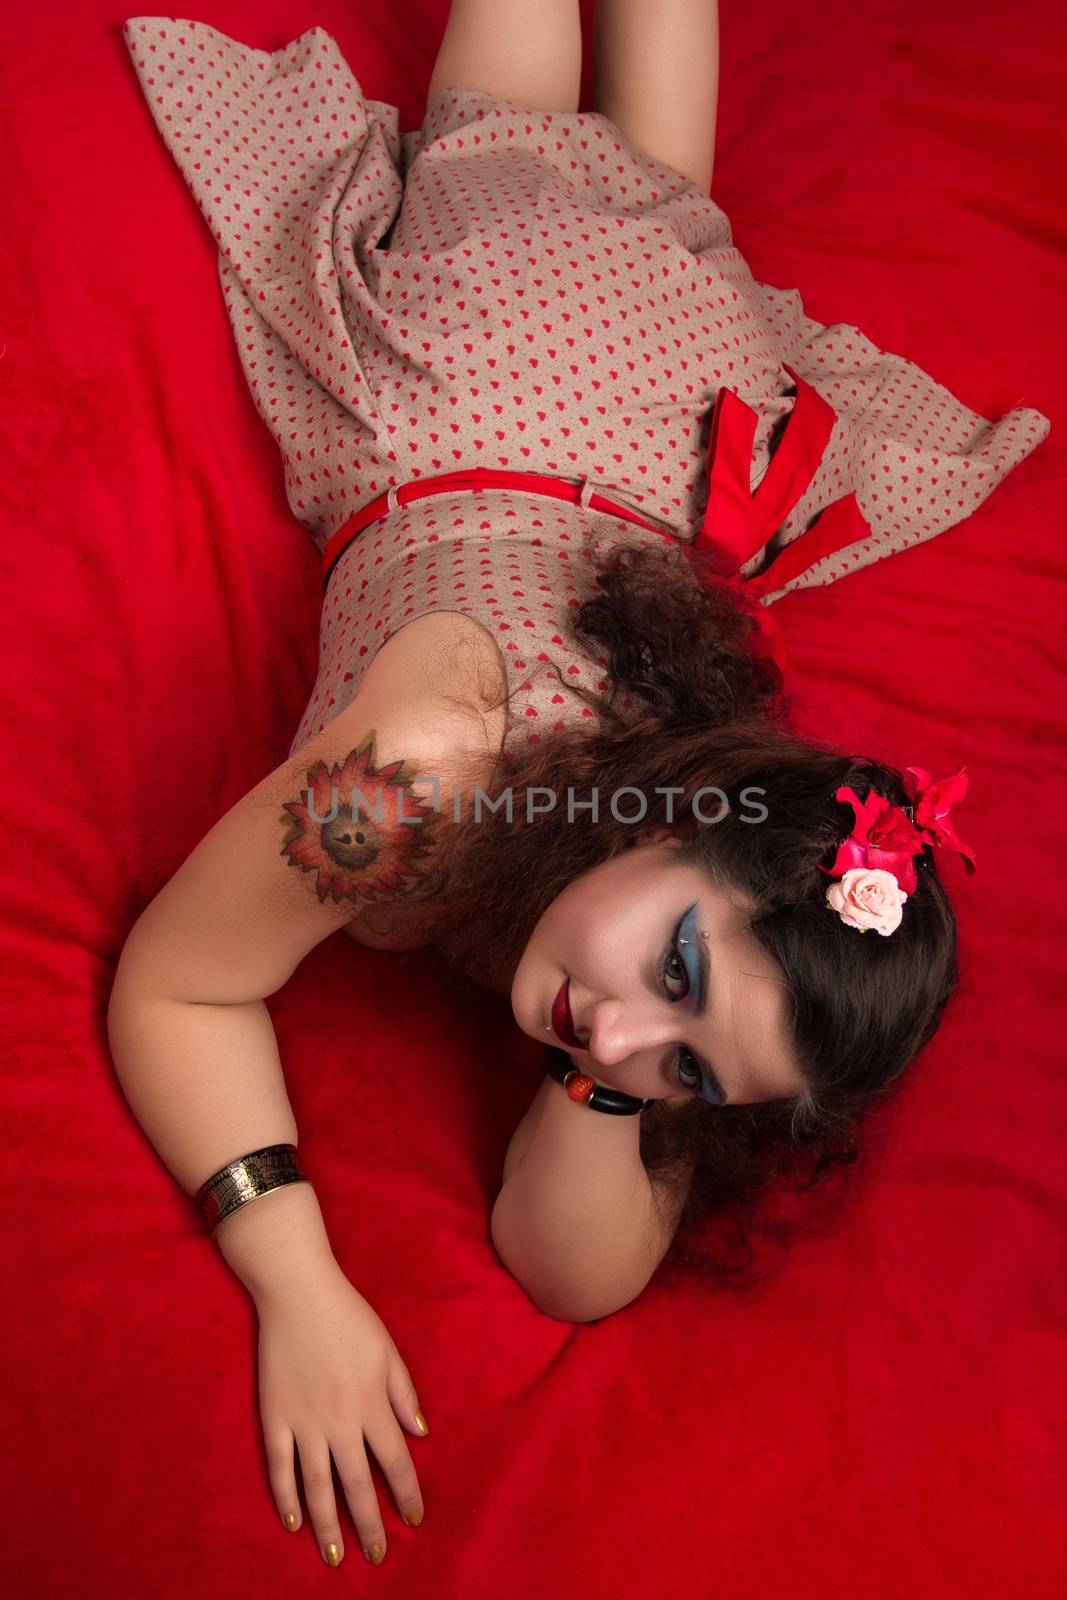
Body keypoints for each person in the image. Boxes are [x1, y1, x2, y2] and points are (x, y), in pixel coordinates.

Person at [110, 1, 1047, 1572]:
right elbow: (178, 991)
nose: (609, 1036)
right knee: (518, 123)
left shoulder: (664, 955)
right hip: (503, 351)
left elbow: (575, 1274)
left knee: (679, 208)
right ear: (683, 817)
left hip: (673, 418)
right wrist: (296, 1275)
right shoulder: (405, 794)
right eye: (673, 975)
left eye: (688, 1069)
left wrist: (629, 1081)